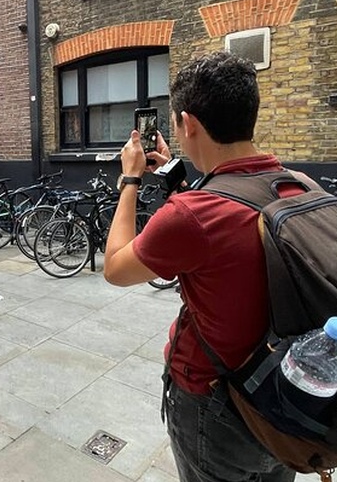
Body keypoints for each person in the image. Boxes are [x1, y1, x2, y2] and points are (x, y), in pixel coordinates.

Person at [103, 52, 302, 482]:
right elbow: (224, 216)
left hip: (214, 403)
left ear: (187, 123)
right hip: (286, 400)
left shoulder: (191, 215)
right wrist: (173, 172)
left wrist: (131, 179)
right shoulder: (296, 186)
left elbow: (116, 267)